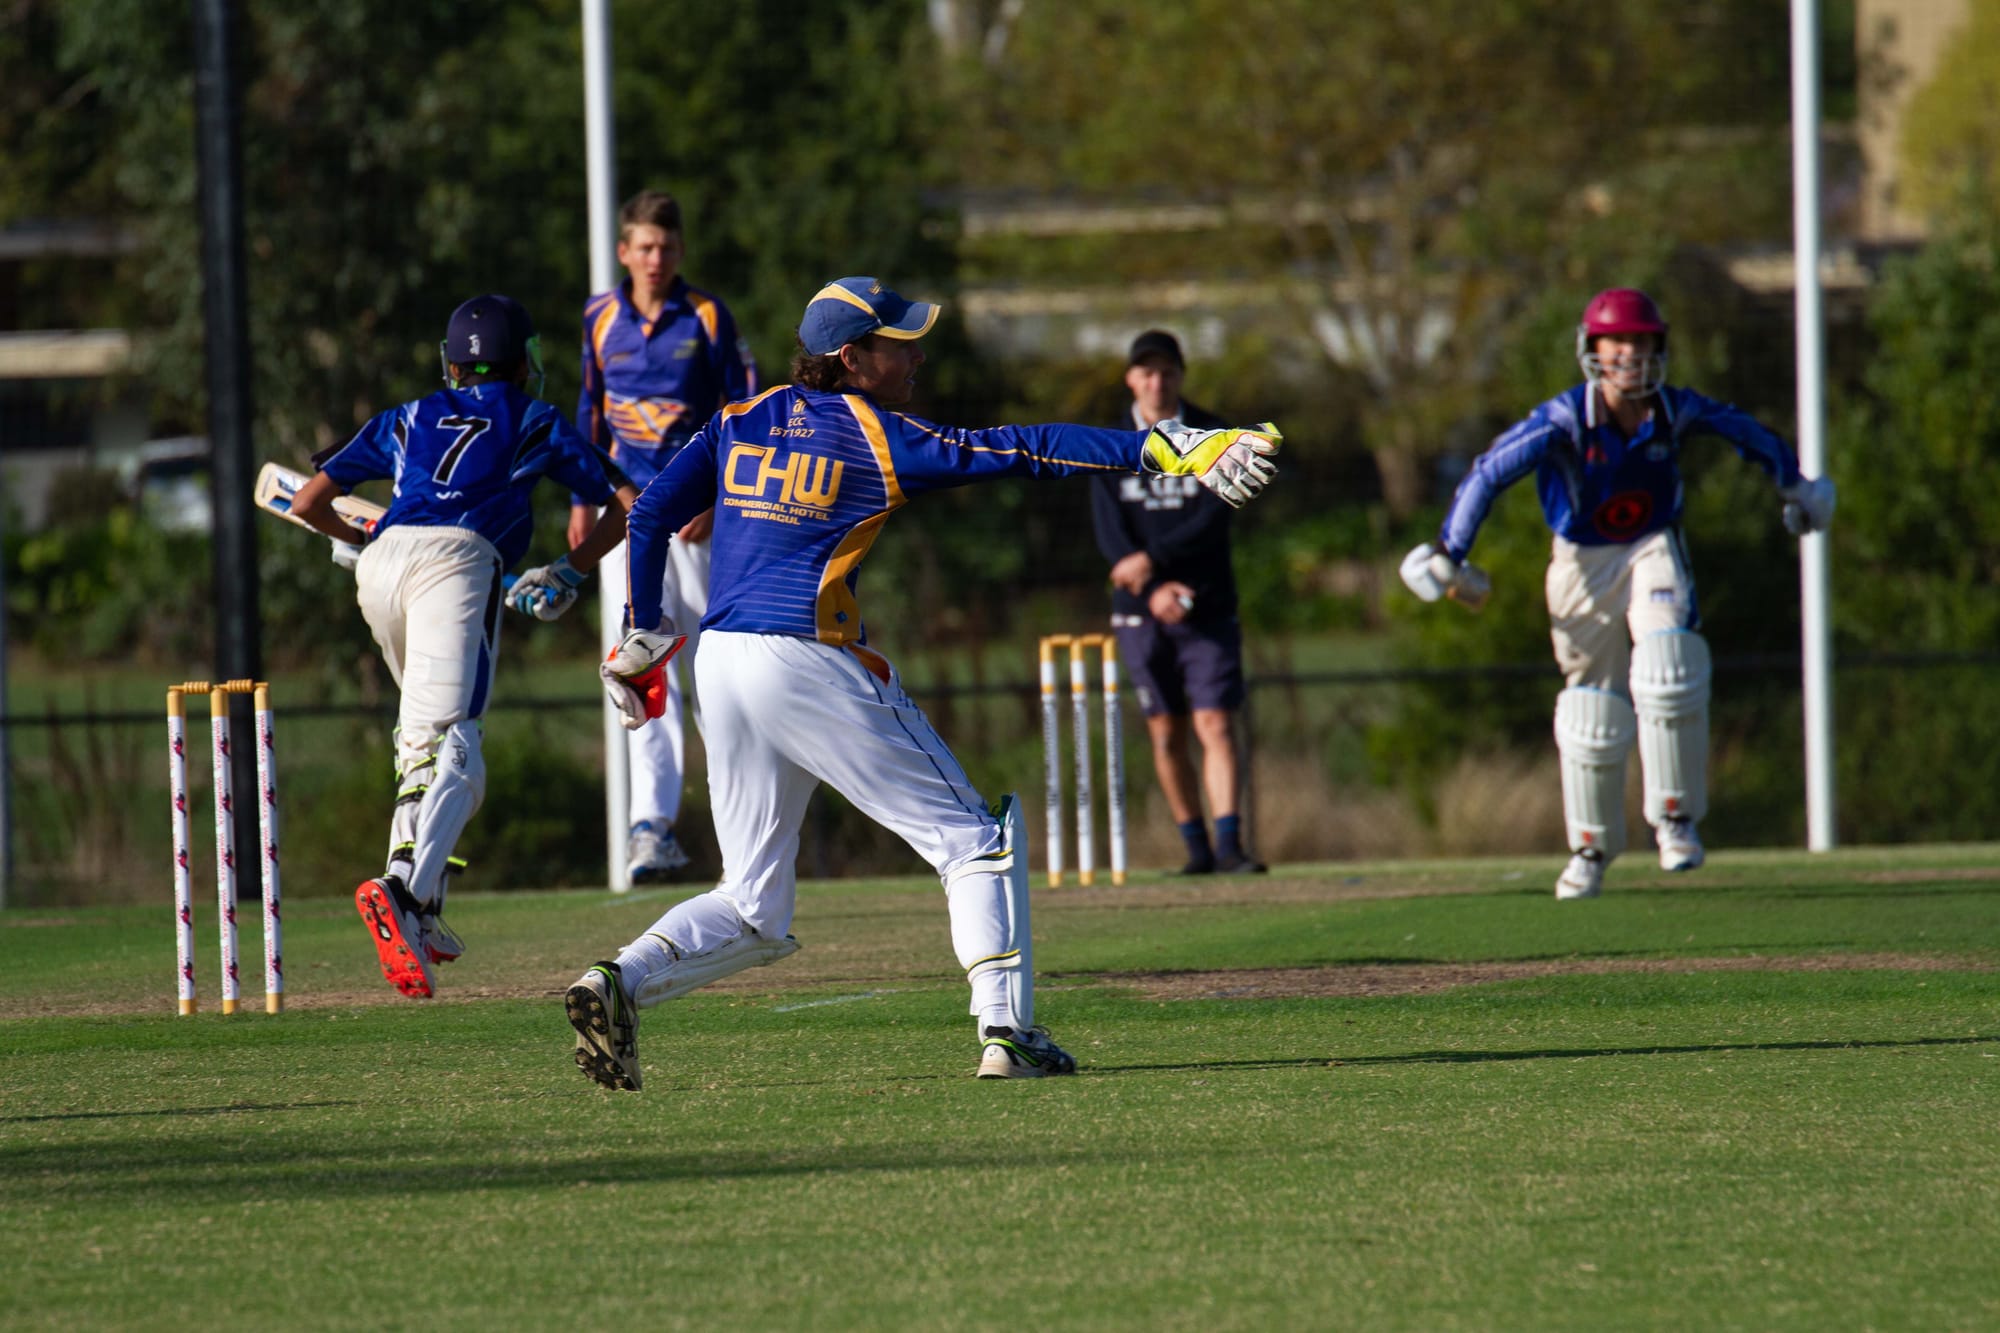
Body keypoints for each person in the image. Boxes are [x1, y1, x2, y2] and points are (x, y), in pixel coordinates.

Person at [519, 276, 1281, 1088]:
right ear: (853, 358)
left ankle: (619, 979)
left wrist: (643, 631)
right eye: (899, 343)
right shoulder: (880, 436)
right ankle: (1009, 1031)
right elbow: (1026, 448)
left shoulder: (742, 418)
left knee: (752, 906)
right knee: (976, 839)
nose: (915, 355)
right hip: (802, 658)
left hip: (724, 662)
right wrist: (1164, 444)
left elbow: (647, 515)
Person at [1400, 288, 1836, 900]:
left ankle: (1676, 819)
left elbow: (1741, 430)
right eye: (1618, 342)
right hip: (1580, 564)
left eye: (1642, 342)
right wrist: (1451, 551)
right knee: (1591, 710)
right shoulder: (1562, 422)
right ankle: (1591, 851)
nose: (1631, 354)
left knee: (1669, 661)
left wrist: (1796, 484)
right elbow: (1489, 472)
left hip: (1651, 545)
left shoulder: (1672, 411)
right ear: (1593, 349)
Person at [291, 294, 639, 998]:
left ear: (452, 365)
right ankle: (405, 891)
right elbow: (630, 500)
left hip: (382, 566)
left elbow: (306, 502)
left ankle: (422, 914)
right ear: (520, 363)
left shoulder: (408, 415)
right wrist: (570, 571)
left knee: (418, 742)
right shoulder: (532, 416)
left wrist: (357, 540)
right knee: (460, 750)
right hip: (459, 562)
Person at [561, 189, 759, 885]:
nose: (655, 259)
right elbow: (589, 409)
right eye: (644, 247)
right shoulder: (599, 316)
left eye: (667, 248)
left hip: (694, 515)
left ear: (680, 252)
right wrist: (585, 499)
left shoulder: (706, 314)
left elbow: (743, 410)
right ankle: (652, 828)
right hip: (626, 517)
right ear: (624, 251)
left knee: (714, 668)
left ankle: (745, 820)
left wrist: (722, 493)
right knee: (639, 667)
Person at [1090, 329, 1265, 876]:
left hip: (1207, 599)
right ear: (1130, 378)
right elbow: (1108, 527)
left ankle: (1230, 844)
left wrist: (1157, 562)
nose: (1156, 381)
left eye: (1166, 371)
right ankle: (1195, 849)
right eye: (1146, 371)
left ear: (1181, 375)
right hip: (1140, 606)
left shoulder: (1215, 433)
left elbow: (1217, 511)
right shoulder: (1114, 440)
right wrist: (1151, 584)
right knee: (1164, 728)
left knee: (1214, 722)